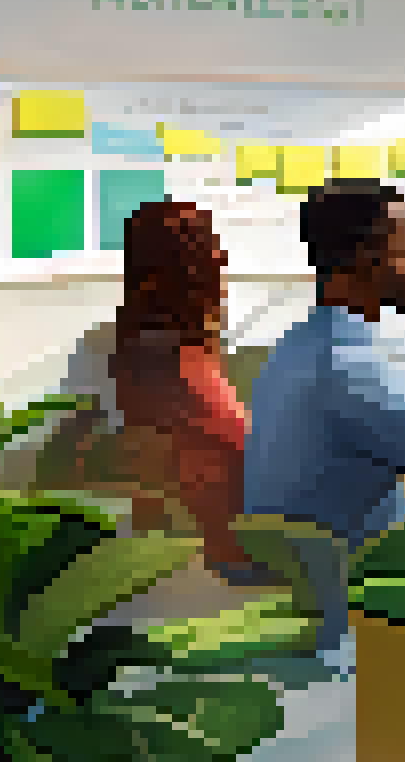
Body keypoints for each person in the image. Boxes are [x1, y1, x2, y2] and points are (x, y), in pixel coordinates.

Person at [242, 178, 405, 671]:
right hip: (370, 609)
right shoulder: (348, 364)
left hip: (324, 596)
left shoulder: (298, 347)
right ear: (365, 257)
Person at [104, 201, 260, 582]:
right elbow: (256, 457)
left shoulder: (136, 355)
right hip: (242, 555)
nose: (224, 274)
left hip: (211, 546)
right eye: (215, 260)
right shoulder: (185, 368)